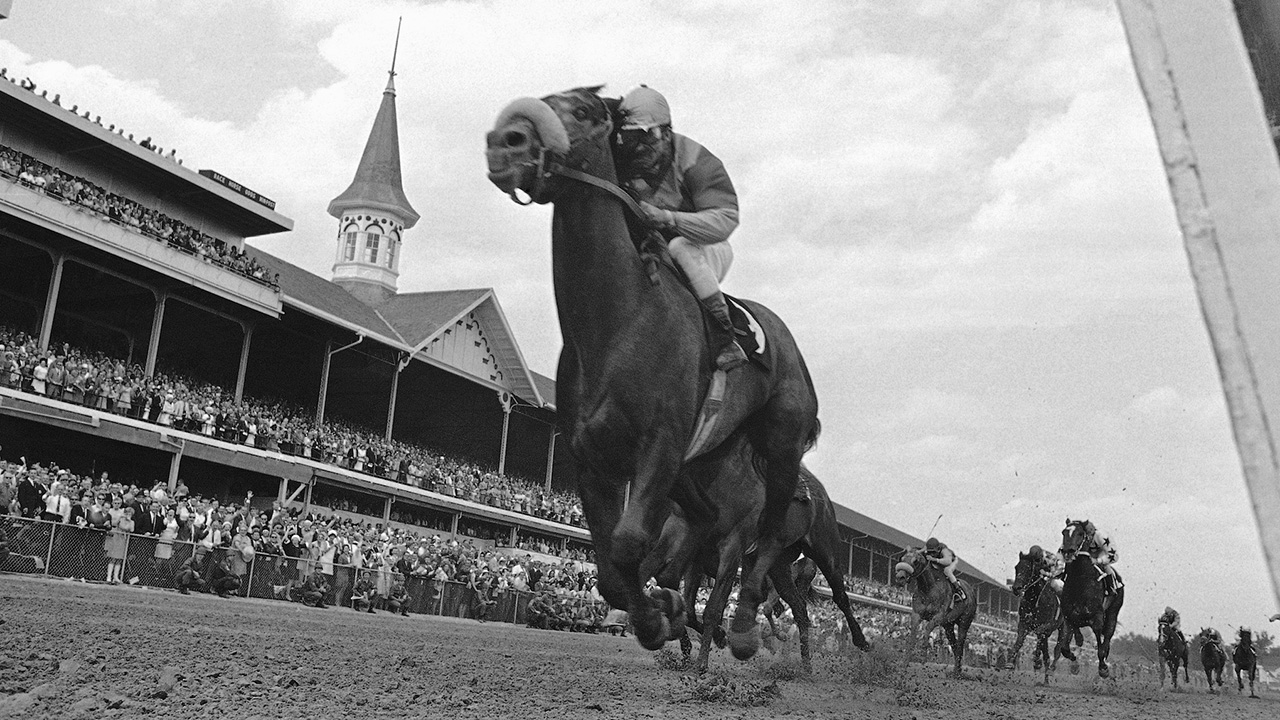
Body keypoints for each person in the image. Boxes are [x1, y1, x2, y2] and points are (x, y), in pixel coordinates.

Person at [615, 85, 747, 372]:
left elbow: (726, 219)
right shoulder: (625, 163)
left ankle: (725, 336)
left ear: (666, 131)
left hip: (707, 248)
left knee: (680, 248)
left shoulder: (697, 160)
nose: (638, 146)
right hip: (653, 249)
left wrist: (669, 219)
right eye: (630, 136)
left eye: (647, 135)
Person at [923, 537, 966, 602]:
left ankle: (959, 590)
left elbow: (948, 561)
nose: (931, 554)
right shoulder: (927, 547)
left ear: (937, 549)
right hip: (940, 560)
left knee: (947, 571)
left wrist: (934, 559)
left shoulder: (944, 550)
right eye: (930, 552)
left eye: (933, 552)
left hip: (951, 561)